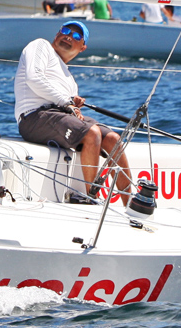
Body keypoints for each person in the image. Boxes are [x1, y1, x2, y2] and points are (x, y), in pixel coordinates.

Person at [14, 20, 133, 201]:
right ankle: (91, 199)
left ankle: (129, 203)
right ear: (57, 34)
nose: (69, 36)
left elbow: (69, 109)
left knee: (113, 139)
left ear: (83, 47)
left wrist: (75, 109)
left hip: (58, 116)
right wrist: (67, 102)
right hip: (34, 117)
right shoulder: (41, 45)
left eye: (76, 36)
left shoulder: (70, 80)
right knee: (92, 133)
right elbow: (33, 78)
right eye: (65, 30)